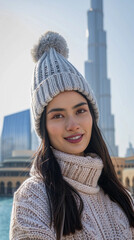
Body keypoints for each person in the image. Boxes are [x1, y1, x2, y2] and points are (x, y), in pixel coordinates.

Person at [10, 31, 134, 240]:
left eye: (80, 111)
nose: (73, 125)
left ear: (92, 116)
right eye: (58, 115)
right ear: (44, 127)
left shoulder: (122, 198)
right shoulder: (33, 198)